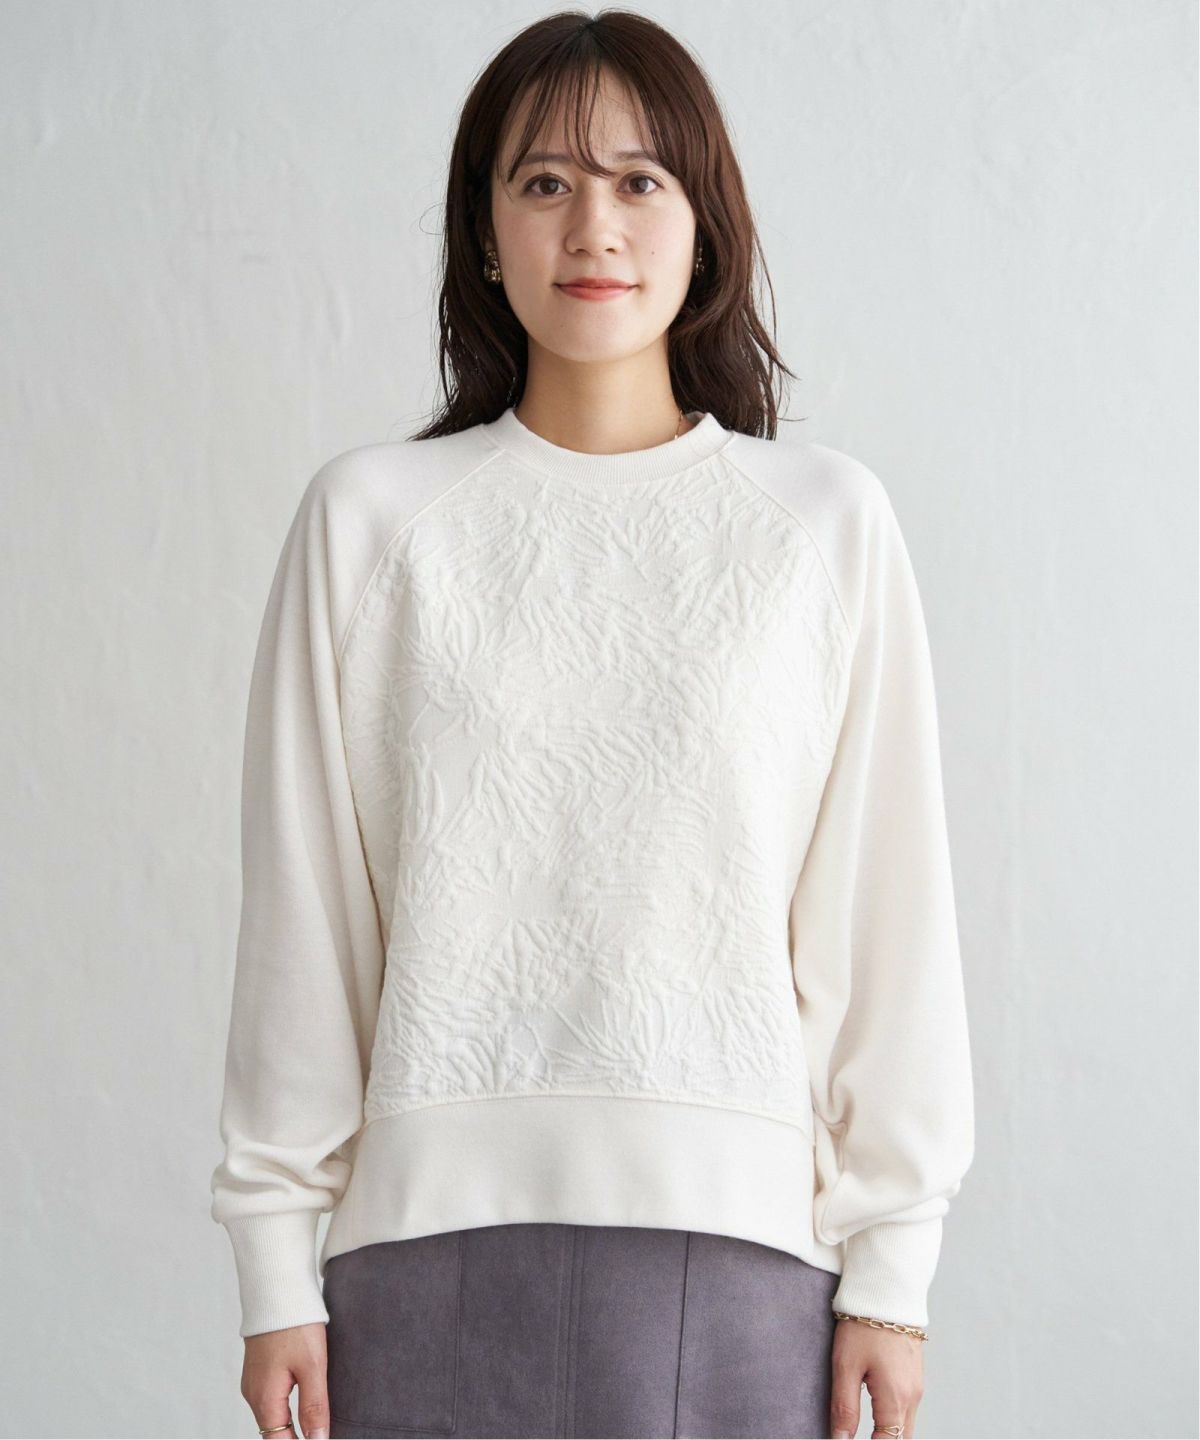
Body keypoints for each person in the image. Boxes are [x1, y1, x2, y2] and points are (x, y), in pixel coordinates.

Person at [209, 10, 975, 1440]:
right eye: (545, 182)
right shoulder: (373, 522)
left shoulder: (821, 527)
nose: (593, 227)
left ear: (705, 224)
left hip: (745, 1258)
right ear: (484, 232)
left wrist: (894, 1271)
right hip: (417, 1250)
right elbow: (306, 916)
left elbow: (886, 914)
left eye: (639, 180)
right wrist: (271, 1263)